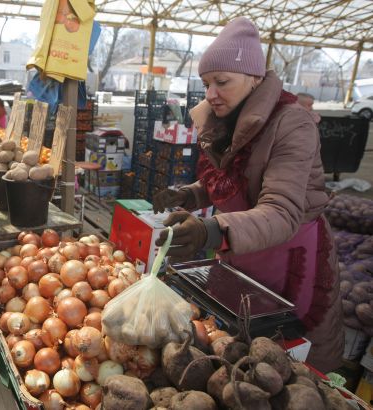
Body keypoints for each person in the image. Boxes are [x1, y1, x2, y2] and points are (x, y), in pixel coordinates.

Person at [152, 17, 343, 373]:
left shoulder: (291, 124)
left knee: (286, 365)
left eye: (222, 82)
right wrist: (188, 195)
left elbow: (281, 211)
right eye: (207, 83)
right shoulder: (226, 121)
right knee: (239, 353)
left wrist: (212, 231)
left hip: (288, 259)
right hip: (240, 253)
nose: (210, 93)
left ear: (254, 79)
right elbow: (232, 186)